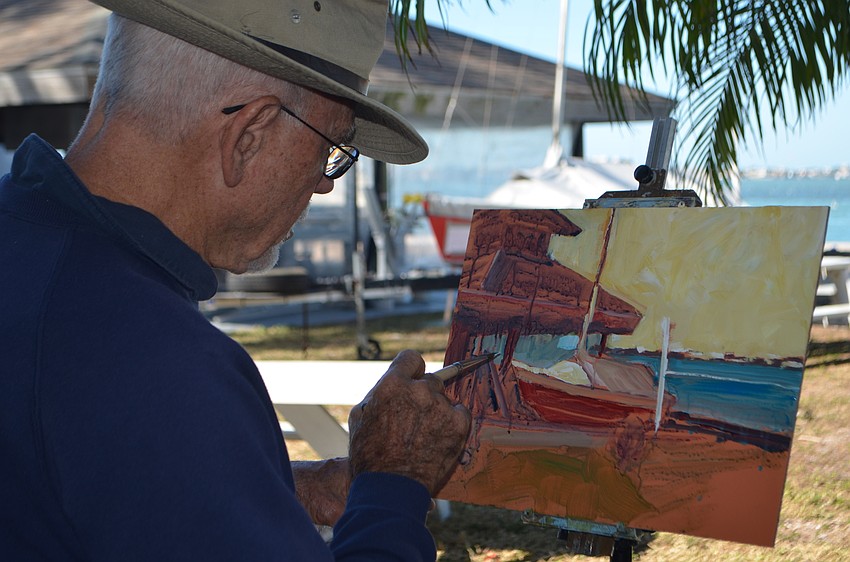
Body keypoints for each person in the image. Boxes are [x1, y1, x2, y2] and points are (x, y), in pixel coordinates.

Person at [0, 0, 471, 560]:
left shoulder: (32, 251)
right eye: (331, 151)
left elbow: (83, 477)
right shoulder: (160, 363)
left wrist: (280, 488)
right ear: (250, 133)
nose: (323, 185)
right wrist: (394, 489)